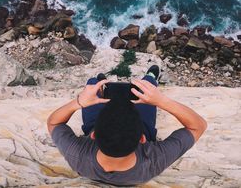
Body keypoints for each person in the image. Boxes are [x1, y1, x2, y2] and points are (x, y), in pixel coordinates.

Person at [47, 65, 207, 186]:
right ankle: (151, 77)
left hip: (103, 128)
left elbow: (53, 122)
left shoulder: (78, 155)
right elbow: (198, 126)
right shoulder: (153, 161)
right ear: (142, 138)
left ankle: (102, 85)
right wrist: (161, 101)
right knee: (147, 85)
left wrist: (80, 101)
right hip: (129, 128)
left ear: (94, 135)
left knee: (91, 84)